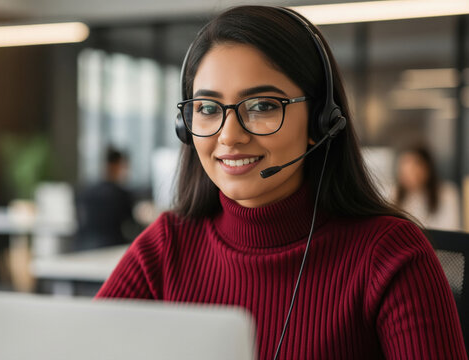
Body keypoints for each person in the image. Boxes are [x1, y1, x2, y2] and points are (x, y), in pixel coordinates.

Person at [96, 6, 465, 359]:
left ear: (320, 120)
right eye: (208, 109)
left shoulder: (390, 256)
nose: (229, 136)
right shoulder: (165, 247)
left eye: (261, 106)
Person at [75, 147, 136, 251]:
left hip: (83, 248)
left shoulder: (86, 192)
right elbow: (131, 226)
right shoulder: (121, 195)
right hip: (111, 249)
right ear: (116, 166)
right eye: (124, 167)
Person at [393, 144, 461, 231]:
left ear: (427, 168)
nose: (408, 174)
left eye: (414, 168)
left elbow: (451, 231)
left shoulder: (447, 193)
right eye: (404, 169)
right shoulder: (394, 194)